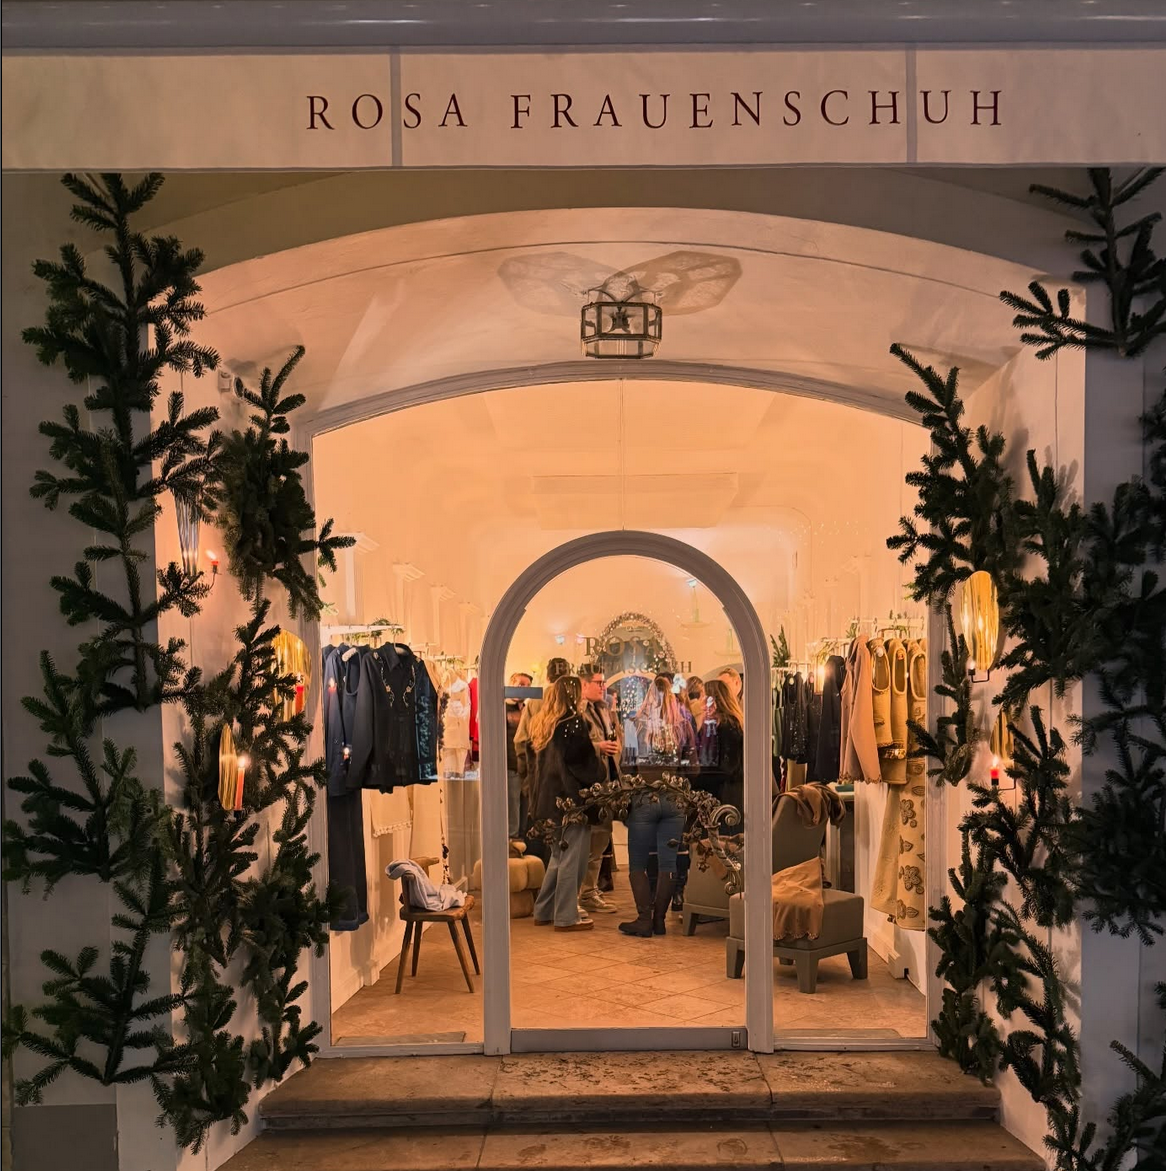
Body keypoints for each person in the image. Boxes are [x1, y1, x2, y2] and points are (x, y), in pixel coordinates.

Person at [529, 676, 606, 931]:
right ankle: (566, 916)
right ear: (573, 694)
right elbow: (585, 766)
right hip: (572, 803)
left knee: (558, 857)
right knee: (573, 859)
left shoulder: (546, 723)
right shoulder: (573, 723)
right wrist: (602, 769)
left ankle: (544, 910)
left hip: (548, 802)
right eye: (580, 689)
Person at [577, 662, 622, 914]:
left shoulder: (604, 709)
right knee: (590, 840)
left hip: (607, 783)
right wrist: (598, 747)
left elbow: (613, 737)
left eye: (604, 682)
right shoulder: (579, 712)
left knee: (601, 839)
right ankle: (585, 892)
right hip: (589, 785)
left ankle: (590, 889)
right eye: (599, 682)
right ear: (584, 684)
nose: (603, 686)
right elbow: (575, 748)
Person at [700, 678, 746, 828]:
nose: (701, 702)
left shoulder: (728, 726)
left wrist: (698, 779)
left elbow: (728, 767)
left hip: (725, 794)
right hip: (720, 791)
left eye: (704, 697)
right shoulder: (717, 724)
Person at [634, 673, 695, 761]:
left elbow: (627, 765)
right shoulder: (683, 726)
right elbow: (692, 767)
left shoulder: (636, 726)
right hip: (674, 770)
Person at [505, 671, 533, 846]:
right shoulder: (503, 708)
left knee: (524, 810)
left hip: (527, 767)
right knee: (513, 810)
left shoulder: (528, 710)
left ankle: (521, 842)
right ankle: (512, 845)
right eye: (521, 684)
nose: (525, 688)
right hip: (511, 766)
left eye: (528, 686)